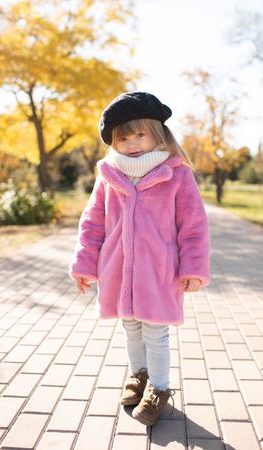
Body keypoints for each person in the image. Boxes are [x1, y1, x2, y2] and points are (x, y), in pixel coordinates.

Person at [69, 91, 210, 426]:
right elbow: (92, 223)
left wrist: (193, 268)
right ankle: (139, 375)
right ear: (114, 142)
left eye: (140, 134)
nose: (132, 143)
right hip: (117, 269)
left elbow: (193, 225)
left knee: (155, 332)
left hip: (159, 271)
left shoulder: (176, 174)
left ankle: (159, 388)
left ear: (157, 133)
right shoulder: (109, 176)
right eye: (123, 137)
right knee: (131, 328)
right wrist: (85, 264)